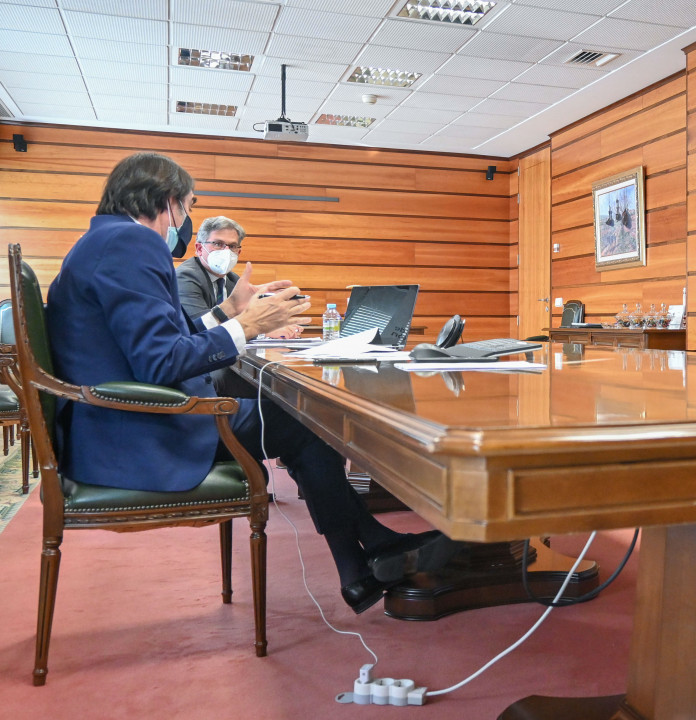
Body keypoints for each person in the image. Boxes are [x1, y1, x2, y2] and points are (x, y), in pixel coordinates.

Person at [45, 152, 455, 614]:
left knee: (297, 420)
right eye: (188, 207)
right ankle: (365, 556)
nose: (185, 221)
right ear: (168, 201)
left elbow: (160, 341)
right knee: (308, 420)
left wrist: (229, 313)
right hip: (142, 433)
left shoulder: (101, 242)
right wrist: (249, 327)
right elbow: (162, 362)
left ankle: (363, 562)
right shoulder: (132, 244)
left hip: (112, 427)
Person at [177, 216, 302, 396]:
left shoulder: (233, 280)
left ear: (238, 252)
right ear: (199, 248)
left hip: (218, 358)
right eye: (218, 244)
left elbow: (249, 314)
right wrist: (262, 329)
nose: (226, 251)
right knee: (274, 392)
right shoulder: (186, 276)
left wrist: (276, 323)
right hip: (194, 368)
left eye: (232, 246)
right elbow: (201, 326)